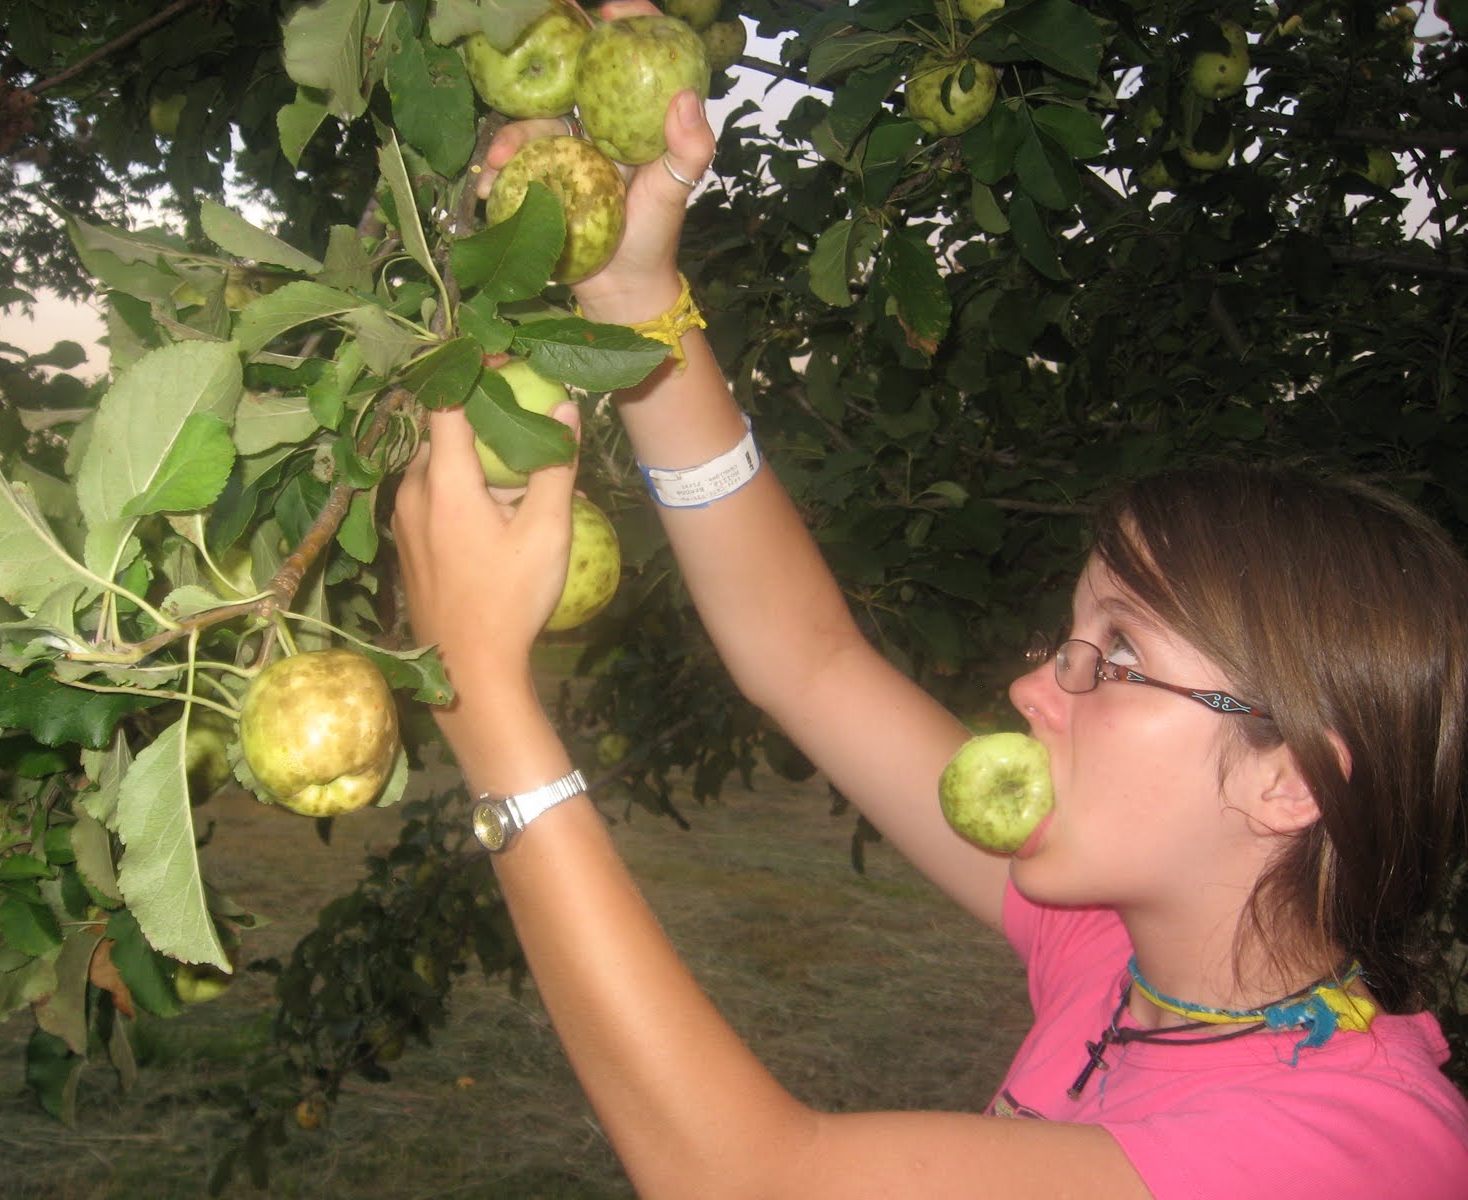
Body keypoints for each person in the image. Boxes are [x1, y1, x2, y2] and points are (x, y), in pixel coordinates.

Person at [391, 6, 1468, 1195]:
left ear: (1290, 780)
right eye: (1069, 637)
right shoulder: (1124, 961)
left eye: (1113, 658)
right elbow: (806, 659)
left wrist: (484, 700)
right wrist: (637, 302)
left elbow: (751, 1182)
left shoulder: (1356, 1149)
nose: (1030, 689)